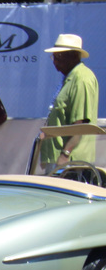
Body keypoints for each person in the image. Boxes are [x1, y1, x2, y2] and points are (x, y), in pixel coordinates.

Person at [41, 32, 99, 169]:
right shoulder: (70, 78)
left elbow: (81, 123)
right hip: (60, 158)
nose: (54, 62)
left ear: (72, 56)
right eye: (53, 57)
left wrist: (65, 154)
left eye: (58, 57)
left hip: (71, 162)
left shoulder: (81, 79)